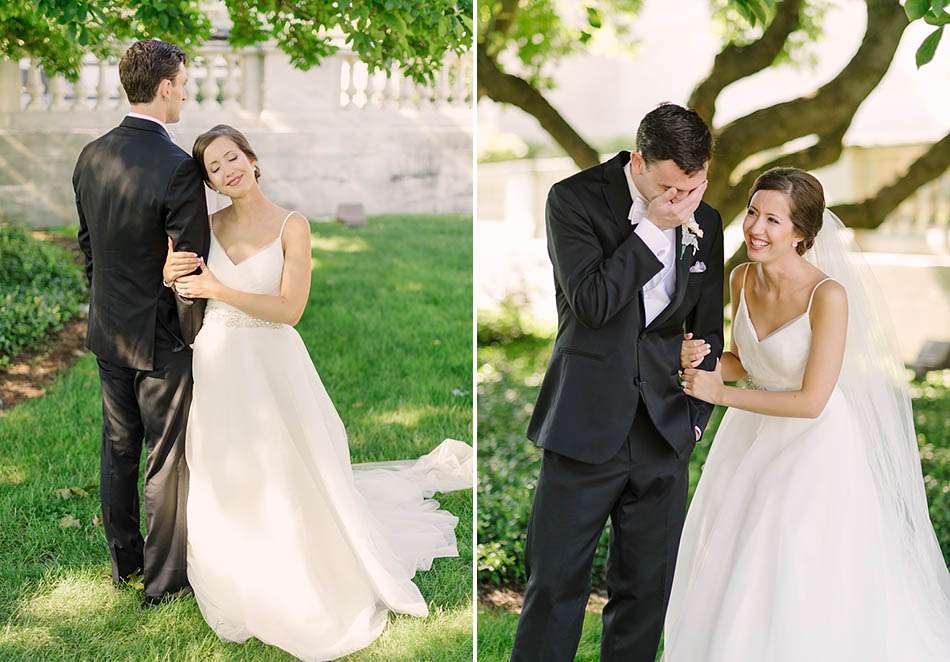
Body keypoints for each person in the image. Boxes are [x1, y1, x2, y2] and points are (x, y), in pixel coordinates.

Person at [163, 124, 471, 661]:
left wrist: (219, 289)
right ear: (209, 182)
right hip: (218, 361)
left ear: (252, 159)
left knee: (289, 468)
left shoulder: (292, 225)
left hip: (273, 360)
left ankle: (302, 567)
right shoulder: (204, 226)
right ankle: (237, 567)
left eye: (233, 157)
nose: (228, 170)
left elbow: (290, 310)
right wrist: (172, 273)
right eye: (215, 167)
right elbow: (179, 280)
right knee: (223, 464)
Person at [668, 167, 950, 660]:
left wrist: (718, 393)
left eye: (773, 220)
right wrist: (700, 359)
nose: (755, 227)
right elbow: (746, 360)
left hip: (815, 445)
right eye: (753, 212)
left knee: (788, 556)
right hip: (751, 437)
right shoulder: (742, 277)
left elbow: (811, 400)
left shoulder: (828, 296)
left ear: (801, 234)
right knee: (734, 555)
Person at [509, 103, 725, 662]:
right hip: (585, 423)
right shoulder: (573, 200)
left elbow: (707, 332)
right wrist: (653, 229)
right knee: (555, 585)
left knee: (646, 593)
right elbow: (594, 304)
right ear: (638, 161)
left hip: (664, 431)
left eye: (696, 186)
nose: (685, 200)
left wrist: (694, 423)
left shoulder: (710, 222)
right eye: (671, 187)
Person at [72, 38, 207, 605]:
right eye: (183, 82)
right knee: (164, 457)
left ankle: (125, 565)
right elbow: (191, 267)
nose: (186, 92)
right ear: (165, 87)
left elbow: (88, 248)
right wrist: (193, 331)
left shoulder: (91, 156)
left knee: (119, 447)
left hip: (107, 327)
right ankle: (163, 584)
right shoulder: (178, 167)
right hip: (159, 336)